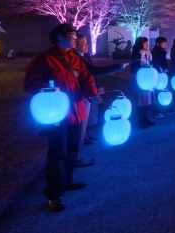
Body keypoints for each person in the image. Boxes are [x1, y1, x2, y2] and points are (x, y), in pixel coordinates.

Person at [23, 23, 99, 212]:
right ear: (60, 37)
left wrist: (91, 92)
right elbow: (30, 82)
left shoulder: (75, 58)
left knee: (73, 148)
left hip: (77, 110)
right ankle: (54, 193)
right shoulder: (45, 59)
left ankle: (68, 179)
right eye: (72, 35)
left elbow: (86, 77)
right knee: (57, 152)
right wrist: (45, 89)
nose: (75, 39)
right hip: (56, 113)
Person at [74, 33, 128, 163]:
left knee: (86, 119)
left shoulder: (83, 57)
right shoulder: (77, 58)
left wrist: (97, 85)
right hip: (80, 94)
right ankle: (76, 157)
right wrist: (119, 66)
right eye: (83, 43)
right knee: (80, 124)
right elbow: (95, 71)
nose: (87, 45)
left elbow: (93, 75)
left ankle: (80, 149)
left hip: (87, 91)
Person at [130, 36, 155, 128]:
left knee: (148, 99)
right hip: (140, 79)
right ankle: (141, 121)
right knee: (141, 100)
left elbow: (151, 64)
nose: (147, 44)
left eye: (147, 43)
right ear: (140, 44)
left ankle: (146, 118)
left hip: (148, 78)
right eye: (145, 43)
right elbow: (133, 68)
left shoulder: (149, 53)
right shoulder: (136, 54)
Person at [151, 36, 172, 117]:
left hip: (161, 73)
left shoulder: (160, 51)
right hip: (160, 74)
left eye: (165, 43)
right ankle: (157, 111)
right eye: (163, 44)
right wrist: (163, 69)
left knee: (162, 91)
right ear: (158, 44)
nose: (165, 45)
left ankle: (164, 109)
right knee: (159, 92)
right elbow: (157, 63)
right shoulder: (157, 52)